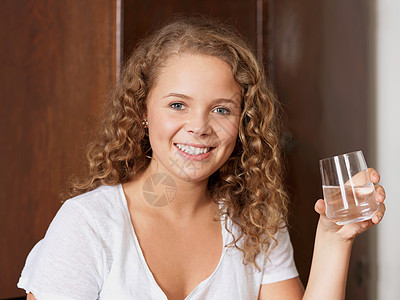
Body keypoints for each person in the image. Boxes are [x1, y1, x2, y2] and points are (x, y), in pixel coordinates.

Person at [18, 16, 386, 300]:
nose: (199, 127)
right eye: (178, 105)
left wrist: (334, 238)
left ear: (244, 122)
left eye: (222, 110)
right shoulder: (89, 225)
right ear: (142, 110)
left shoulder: (255, 223)